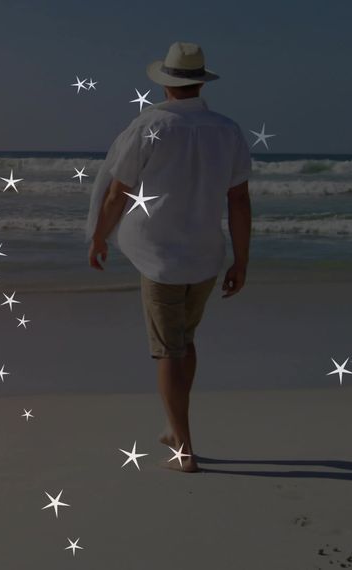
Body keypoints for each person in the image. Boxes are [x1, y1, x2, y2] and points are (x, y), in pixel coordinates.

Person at [87, 41, 253, 473]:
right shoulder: (228, 130)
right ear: (200, 81)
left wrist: (99, 237)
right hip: (204, 256)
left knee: (166, 350)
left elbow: (116, 193)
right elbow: (239, 201)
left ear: (164, 85)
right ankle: (174, 425)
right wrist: (241, 260)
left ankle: (184, 447)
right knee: (183, 343)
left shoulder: (149, 127)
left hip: (159, 257)